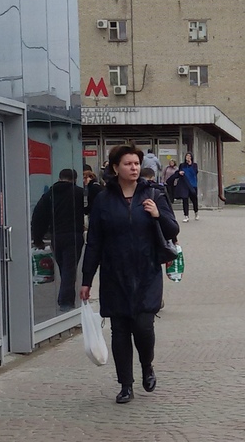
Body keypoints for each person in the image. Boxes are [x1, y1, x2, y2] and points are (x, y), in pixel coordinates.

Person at [81, 145, 179, 404]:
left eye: (136, 163)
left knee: (144, 326)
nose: (134, 168)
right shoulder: (103, 199)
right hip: (115, 274)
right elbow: (94, 242)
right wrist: (86, 280)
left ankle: (147, 365)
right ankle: (125, 384)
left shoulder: (154, 193)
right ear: (115, 168)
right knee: (120, 330)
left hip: (147, 272)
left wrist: (157, 215)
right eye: (128, 164)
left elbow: (172, 229)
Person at [32, 169, 85, 312]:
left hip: (57, 237)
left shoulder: (49, 195)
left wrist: (38, 238)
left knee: (64, 268)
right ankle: (66, 302)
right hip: (74, 236)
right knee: (69, 269)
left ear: (59, 177)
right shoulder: (79, 193)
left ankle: (65, 297)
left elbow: (38, 217)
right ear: (75, 179)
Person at [178, 153, 200, 221]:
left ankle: (196, 212)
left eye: (189, 156)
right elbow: (179, 172)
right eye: (187, 156)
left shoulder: (194, 165)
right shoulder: (182, 165)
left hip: (193, 185)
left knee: (194, 200)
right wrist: (179, 172)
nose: (188, 157)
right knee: (185, 199)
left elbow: (195, 173)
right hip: (185, 185)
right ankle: (186, 215)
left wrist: (190, 164)